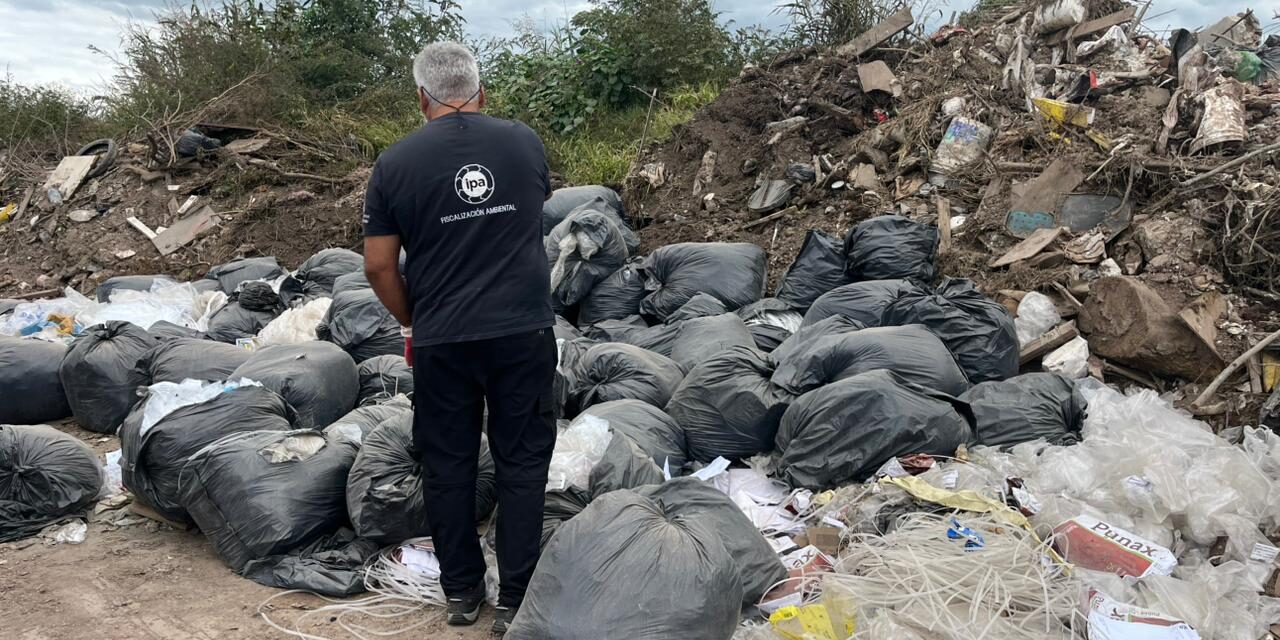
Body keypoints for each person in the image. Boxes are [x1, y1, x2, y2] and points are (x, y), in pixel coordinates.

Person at [361, 41, 557, 635]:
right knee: (523, 461)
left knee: (448, 464)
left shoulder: (394, 164)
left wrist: (412, 321)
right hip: (522, 329)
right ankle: (516, 598)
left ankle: (462, 594)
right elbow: (528, 213)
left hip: (444, 338)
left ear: (421, 97)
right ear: (482, 91)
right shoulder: (522, 141)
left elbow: (377, 266)